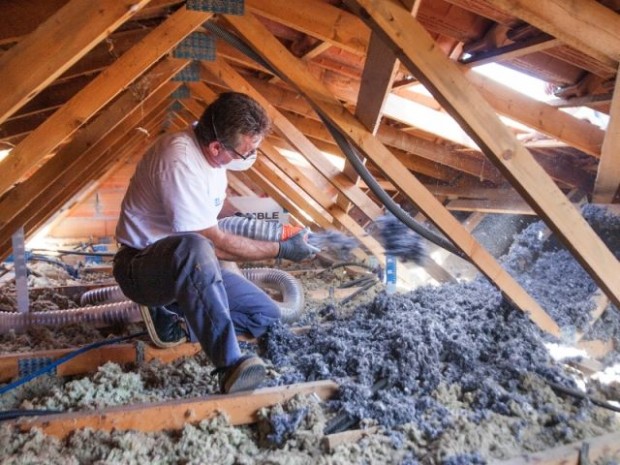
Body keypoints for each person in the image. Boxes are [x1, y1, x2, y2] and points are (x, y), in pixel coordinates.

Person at [113, 92, 318, 394]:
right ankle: (230, 365)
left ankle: (181, 320)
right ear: (216, 147)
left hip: (194, 270)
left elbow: (215, 206)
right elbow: (212, 241)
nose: (249, 158)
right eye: (246, 153)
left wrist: (271, 228)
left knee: (266, 316)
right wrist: (280, 250)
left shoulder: (214, 158)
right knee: (194, 246)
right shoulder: (179, 159)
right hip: (144, 268)